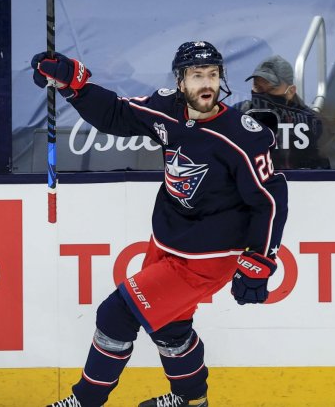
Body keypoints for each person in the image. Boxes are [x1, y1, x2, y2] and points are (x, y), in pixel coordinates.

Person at [31, 41, 288, 407]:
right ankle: (191, 399)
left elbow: (270, 199)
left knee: (115, 313)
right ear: (181, 81)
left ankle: (86, 401)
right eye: (198, 75)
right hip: (168, 241)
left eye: (213, 75)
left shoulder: (241, 135)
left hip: (209, 256)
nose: (207, 84)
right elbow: (118, 115)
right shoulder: (167, 109)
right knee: (170, 327)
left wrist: (261, 260)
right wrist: (75, 84)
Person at [240, 54, 331, 169]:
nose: (262, 95)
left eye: (272, 88)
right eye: (257, 87)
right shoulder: (239, 114)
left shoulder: (313, 123)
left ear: (291, 91)